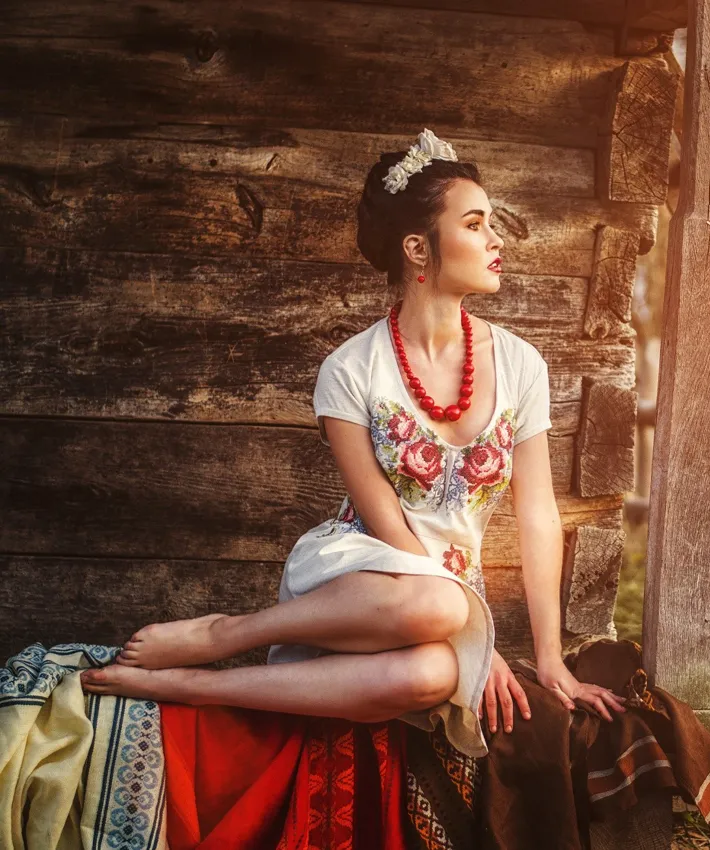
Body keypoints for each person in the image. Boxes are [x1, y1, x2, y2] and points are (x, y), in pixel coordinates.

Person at [80, 129, 626, 757]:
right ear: (418, 249)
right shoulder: (349, 369)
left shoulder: (522, 364)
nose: (497, 240)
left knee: (433, 674)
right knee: (441, 608)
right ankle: (224, 634)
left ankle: (199, 687)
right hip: (363, 577)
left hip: (443, 601)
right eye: (475, 224)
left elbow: (538, 516)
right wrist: (477, 632)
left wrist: (549, 658)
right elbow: (386, 521)